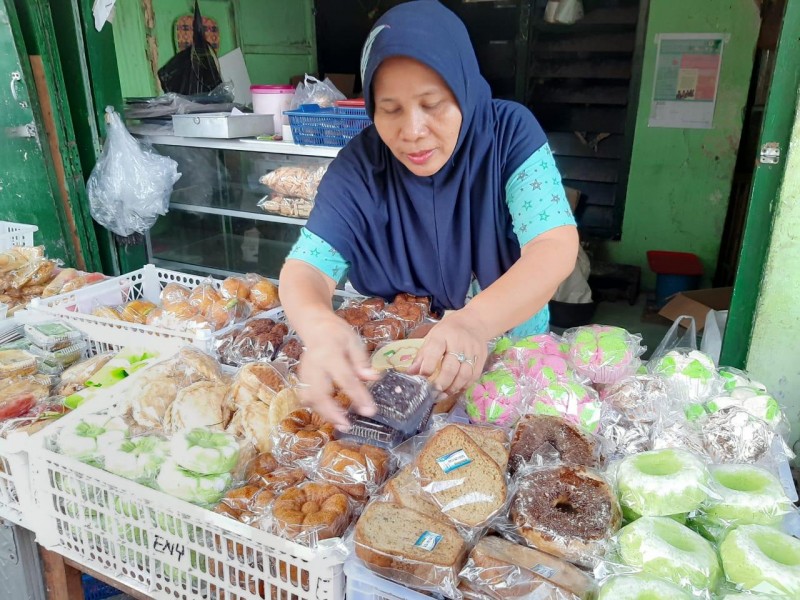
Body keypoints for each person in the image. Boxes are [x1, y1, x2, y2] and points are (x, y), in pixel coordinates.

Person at [279, 0, 578, 429]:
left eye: (433, 103)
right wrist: (318, 325)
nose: (412, 131)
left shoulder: (508, 133)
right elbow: (307, 266)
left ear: (462, 88)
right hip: (403, 370)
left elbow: (553, 245)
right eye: (391, 109)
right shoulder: (361, 166)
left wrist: (475, 322)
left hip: (509, 359)